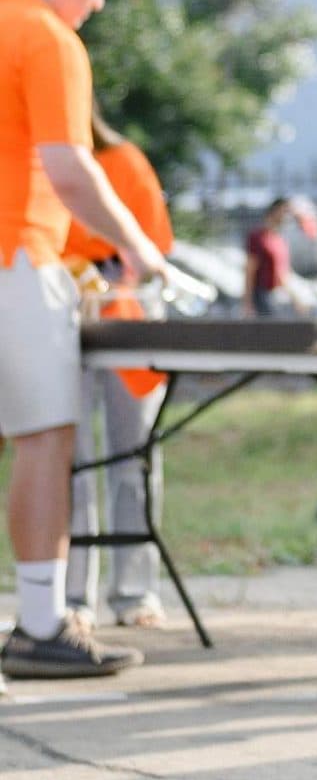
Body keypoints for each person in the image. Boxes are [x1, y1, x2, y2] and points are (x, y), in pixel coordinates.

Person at [0, 0, 168, 682]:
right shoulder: (43, 35)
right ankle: (40, 622)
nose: (97, 2)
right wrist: (136, 249)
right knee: (45, 434)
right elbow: (69, 168)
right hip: (13, 254)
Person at [62, 106, 175, 628]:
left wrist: (111, 271)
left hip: (126, 314)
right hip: (61, 318)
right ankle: (71, 598)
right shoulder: (35, 165)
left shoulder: (125, 162)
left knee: (132, 458)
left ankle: (133, 592)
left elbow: (154, 246)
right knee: (70, 462)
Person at [244, 198, 296, 317]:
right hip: (262, 294)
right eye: (285, 211)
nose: (287, 216)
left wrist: (294, 298)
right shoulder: (258, 237)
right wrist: (247, 303)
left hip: (278, 294)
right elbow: (250, 269)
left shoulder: (279, 239)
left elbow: (282, 273)